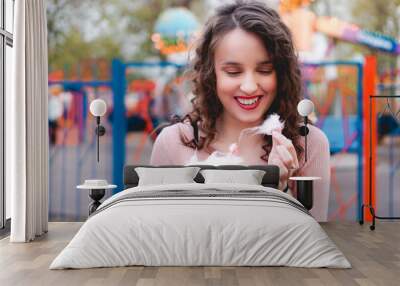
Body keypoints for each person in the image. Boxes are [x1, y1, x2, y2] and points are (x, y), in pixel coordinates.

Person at [150, 0, 330, 221]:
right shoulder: (173, 143)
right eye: (233, 72)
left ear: (281, 73)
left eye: (264, 70)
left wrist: (278, 191)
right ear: (211, 74)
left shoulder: (309, 145)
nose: (249, 86)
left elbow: (313, 245)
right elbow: (160, 242)